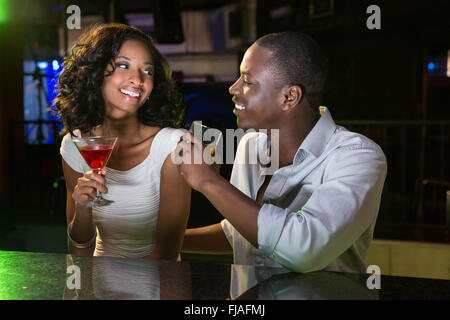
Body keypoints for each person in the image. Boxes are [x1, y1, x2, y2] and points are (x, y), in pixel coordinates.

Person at [175, 31, 387, 273]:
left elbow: (303, 249)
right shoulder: (250, 145)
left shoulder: (358, 157)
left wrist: (209, 182)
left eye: (247, 81)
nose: (234, 88)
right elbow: (242, 230)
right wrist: (160, 241)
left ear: (289, 96)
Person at [54, 23, 191, 260]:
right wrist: (83, 208)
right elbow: (78, 248)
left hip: (155, 289)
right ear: (96, 73)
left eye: (147, 71)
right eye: (123, 65)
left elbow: (166, 257)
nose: (137, 79)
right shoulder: (75, 144)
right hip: (97, 288)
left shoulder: (172, 145)